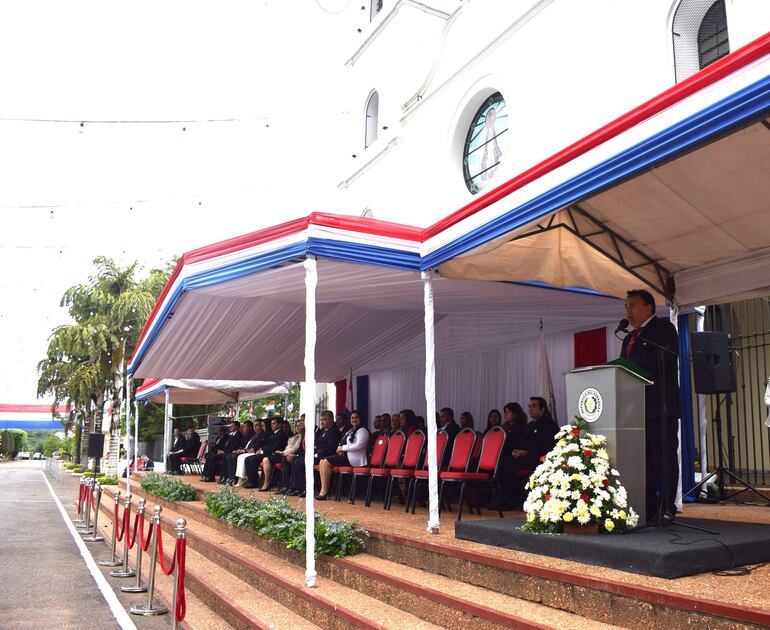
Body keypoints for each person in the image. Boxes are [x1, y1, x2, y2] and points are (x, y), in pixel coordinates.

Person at [622, 288, 681, 523]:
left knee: (663, 459)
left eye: (632, 305)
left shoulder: (664, 329)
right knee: (643, 461)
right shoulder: (628, 337)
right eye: (626, 306)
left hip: (660, 408)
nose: (628, 310)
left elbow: (664, 360)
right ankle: (647, 507)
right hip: (636, 411)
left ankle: (667, 507)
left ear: (648, 307)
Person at [316, 410, 369, 500]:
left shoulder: (362, 430)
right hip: (347, 457)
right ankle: (324, 489)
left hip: (356, 460)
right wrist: (340, 448)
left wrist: (343, 448)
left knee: (326, 461)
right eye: (352, 418)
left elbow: (359, 445)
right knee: (322, 461)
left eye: (356, 417)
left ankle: (324, 491)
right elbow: (342, 442)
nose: (354, 419)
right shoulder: (351, 431)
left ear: (361, 419)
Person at [244, 417, 288, 490]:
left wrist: (262, 451)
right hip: (268, 452)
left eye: (274, 423)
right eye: (271, 424)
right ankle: (252, 480)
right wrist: (261, 449)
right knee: (248, 459)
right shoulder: (274, 434)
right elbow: (267, 445)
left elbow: (276, 446)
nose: (272, 425)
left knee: (253, 459)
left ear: (280, 424)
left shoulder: (281, 434)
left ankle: (256, 482)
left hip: (274, 454)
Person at [276, 417, 305, 495]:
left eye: (302, 422)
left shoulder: (305, 434)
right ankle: (286, 485)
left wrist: (295, 454)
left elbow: (298, 448)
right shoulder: (297, 436)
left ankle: (298, 487)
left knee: (296, 460)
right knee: (285, 459)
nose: (299, 426)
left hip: (306, 455)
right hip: (296, 454)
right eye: (297, 425)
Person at [223, 421, 256, 485]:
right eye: (243, 427)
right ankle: (230, 477)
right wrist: (239, 449)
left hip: (248, 452)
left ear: (250, 428)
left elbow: (252, 446)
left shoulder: (252, 434)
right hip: (242, 450)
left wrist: (242, 450)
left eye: (244, 426)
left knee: (234, 456)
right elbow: (242, 444)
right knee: (229, 456)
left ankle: (235, 478)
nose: (243, 428)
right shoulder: (245, 435)